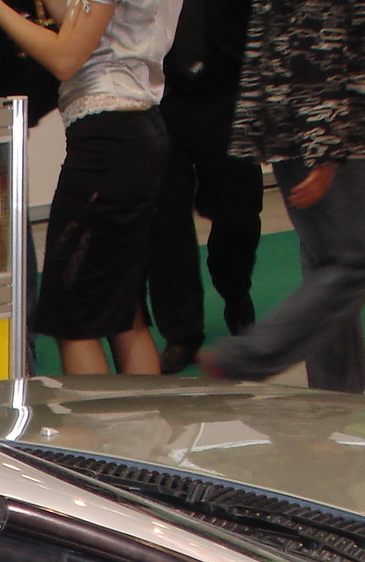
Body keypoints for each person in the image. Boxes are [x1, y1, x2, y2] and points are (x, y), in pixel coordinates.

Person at [202, 0, 365, 392]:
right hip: (330, 129)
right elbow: (318, 44)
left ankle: (335, 393)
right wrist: (324, 151)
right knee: (357, 261)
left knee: (330, 263)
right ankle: (247, 356)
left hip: (307, 124)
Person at [0, 0, 183, 373]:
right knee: (123, 311)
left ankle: (96, 415)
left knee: (73, 319)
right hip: (133, 130)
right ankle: (142, 411)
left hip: (109, 138)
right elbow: (83, 24)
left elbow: (65, 58)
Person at [146, 0, 262, 375]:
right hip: (161, 95)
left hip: (230, 92)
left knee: (239, 212)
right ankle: (181, 333)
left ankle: (235, 290)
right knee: (166, 220)